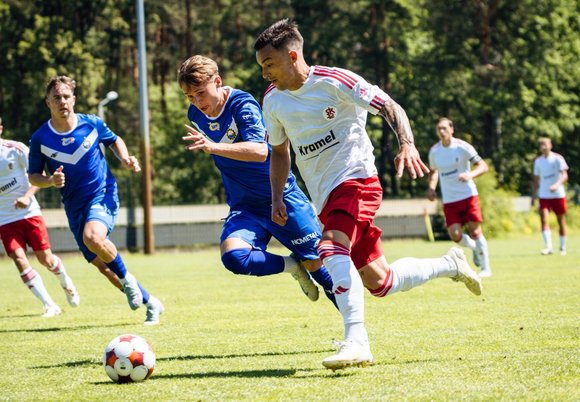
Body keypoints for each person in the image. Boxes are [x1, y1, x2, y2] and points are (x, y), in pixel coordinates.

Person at [254, 19, 483, 371]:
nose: (265, 73)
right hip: (325, 196)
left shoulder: (334, 81)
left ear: (293, 56)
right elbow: (280, 152)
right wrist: (277, 197)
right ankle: (450, 264)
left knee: (330, 247)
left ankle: (356, 341)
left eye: (269, 64)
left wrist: (407, 143)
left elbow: (390, 106)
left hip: (357, 179)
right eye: (261, 66)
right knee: (380, 282)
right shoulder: (272, 100)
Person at [177, 55, 336, 307]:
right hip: (245, 206)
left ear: (217, 82)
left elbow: (260, 150)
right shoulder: (195, 114)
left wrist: (212, 147)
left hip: (281, 198)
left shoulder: (242, 104)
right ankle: (292, 266)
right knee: (234, 257)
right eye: (190, 97)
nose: (197, 102)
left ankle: (355, 328)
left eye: (200, 93)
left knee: (324, 274)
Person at [27, 76, 164, 325]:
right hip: (74, 206)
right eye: (56, 97)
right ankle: (151, 302)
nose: (62, 101)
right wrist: (50, 181)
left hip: (103, 193)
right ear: (48, 102)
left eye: (66, 96)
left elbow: (114, 140)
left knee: (93, 237)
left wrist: (124, 158)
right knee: (103, 265)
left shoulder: (91, 123)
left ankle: (128, 281)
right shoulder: (40, 138)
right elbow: (34, 176)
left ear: (74, 99)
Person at [0, 116, 80, 317]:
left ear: (0, 129)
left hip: (29, 213)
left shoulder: (15, 149)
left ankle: (65, 280)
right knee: (18, 259)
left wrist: (27, 196)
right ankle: (49, 305)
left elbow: (37, 176)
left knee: (46, 259)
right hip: (5, 219)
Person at [426, 118, 491, 277]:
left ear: (452, 129)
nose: (442, 131)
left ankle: (485, 269)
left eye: (444, 128)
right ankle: (475, 248)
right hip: (450, 201)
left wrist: (470, 175)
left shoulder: (462, 147)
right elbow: (433, 172)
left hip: (468, 196)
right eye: (439, 129)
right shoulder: (434, 151)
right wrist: (432, 188)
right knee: (455, 235)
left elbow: (483, 166)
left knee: (476, 231)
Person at [532, 137, 569, 256]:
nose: (543, 146)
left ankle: (562, 247)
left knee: (560, 221)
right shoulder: (538, 161)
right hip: (544, 195)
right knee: (543, 219)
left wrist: (557, 185)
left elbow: (565, 175)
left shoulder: (558, 158)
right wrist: (533, 196)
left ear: (550, 145)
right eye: (541, 145)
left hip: (558, 195)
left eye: (545, 144)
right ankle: (548, 247)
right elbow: (536, 180)